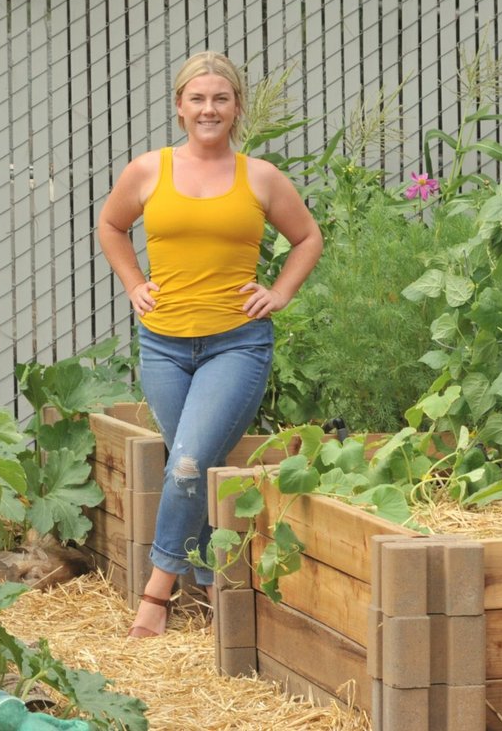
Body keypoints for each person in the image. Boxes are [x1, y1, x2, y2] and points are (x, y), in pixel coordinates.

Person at [96, 51, 322, 638]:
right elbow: (111, 225)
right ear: (179, 107)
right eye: (197, 99)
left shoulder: (260, 177)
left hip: (236, 346)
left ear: (237, 107)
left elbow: (306, 238)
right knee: (191, 465)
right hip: (163, 346)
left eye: (220, 98)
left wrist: (279, 292)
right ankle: (208, 585)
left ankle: (156, 593)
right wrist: (134, 284)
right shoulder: (148, 171)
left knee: (190, 463)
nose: (209, 109)